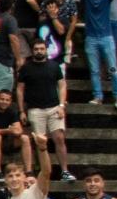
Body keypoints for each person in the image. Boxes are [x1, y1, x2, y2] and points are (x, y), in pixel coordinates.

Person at [15, 38, 74, 181]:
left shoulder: (54, 66)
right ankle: (44, 172)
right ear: (32, 51)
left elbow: (62, 85)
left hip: (54, 107)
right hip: (35, 109)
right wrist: (22, 111)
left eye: (42, 49)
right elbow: (20, 89)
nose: (39, 51)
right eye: (36, 49)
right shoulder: (26, 68)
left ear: (46, 50)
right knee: (40, 142)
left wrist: (61, 105)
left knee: (59, 138)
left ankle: (65, 171)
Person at [0, 87, 33, 181]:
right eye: (2, 99)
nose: (4, 102)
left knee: (25, 138)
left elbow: (18, 130)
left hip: (6, 142)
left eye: (7, 100)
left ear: (10, 101)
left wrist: (16, 131)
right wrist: (8, 130)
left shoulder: (12, 112)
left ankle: (29, 172)